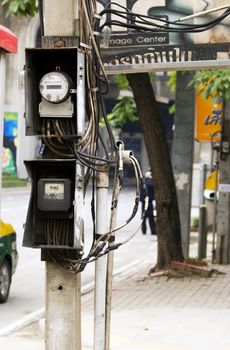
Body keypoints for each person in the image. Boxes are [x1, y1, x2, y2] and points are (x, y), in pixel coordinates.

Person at [140, 169, 156, 235]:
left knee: (143, 217)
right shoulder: (151, 184)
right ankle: (153, 230)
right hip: (149, 202)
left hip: (144, 202)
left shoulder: (143, 183)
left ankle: (144, 230)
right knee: (151, 217)